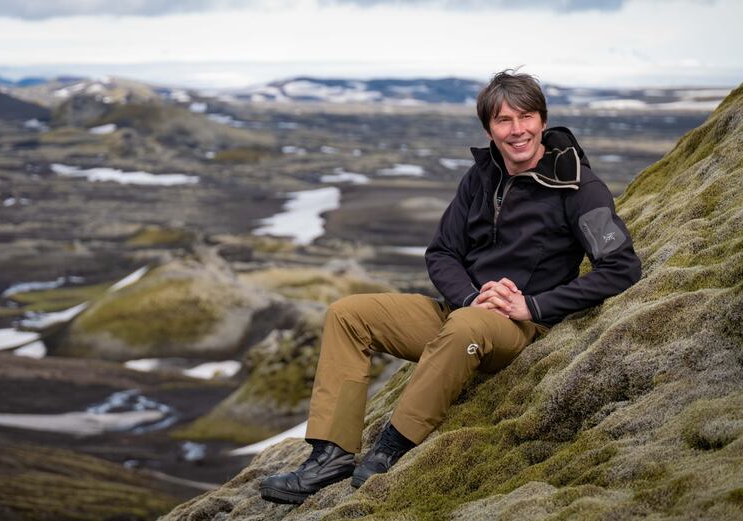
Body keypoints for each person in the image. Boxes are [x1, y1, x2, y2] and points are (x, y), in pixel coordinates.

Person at [260, 69, 641, 504]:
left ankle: (392, 447)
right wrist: (469, 297)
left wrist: (532, 306)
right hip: (461, 311)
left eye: (526, 117)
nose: (517, 130)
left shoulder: (579, 185)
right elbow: (441, 252)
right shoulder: (481, 176)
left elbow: (622, 268)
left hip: (519, 328)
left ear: (543, 119)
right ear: (489, 129)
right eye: (504, 121)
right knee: (348, 314)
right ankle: (331, 455)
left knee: (464, 328)